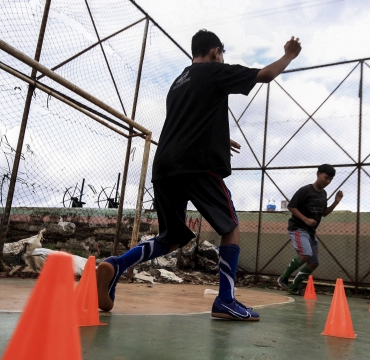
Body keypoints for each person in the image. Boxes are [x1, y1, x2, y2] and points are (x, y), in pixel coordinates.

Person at [97, 29, 302, 321]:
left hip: (165, 166)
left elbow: (190, 123)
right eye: (222, 53)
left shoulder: (179, 82)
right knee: (230, 227)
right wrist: (289, 55)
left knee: (172, 238)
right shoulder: (214, 72)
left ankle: (117, 264)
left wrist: (220, 139)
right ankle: (226, 300)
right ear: (216, 51)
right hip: (197, 165)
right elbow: (266, 74)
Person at [277, 164, 343, 295]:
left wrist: (336, 202)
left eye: (330, 179)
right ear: (318, 174)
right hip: (298, 228)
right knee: (305, 254)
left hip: (311, 232)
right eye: (326, 178)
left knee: (314, 263)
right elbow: (291, 206)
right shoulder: (305, 190)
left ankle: (293, 287)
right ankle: (283, 278)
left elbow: (324, 213)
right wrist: (305, 219)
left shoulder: (324, 194)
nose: (328, 181)